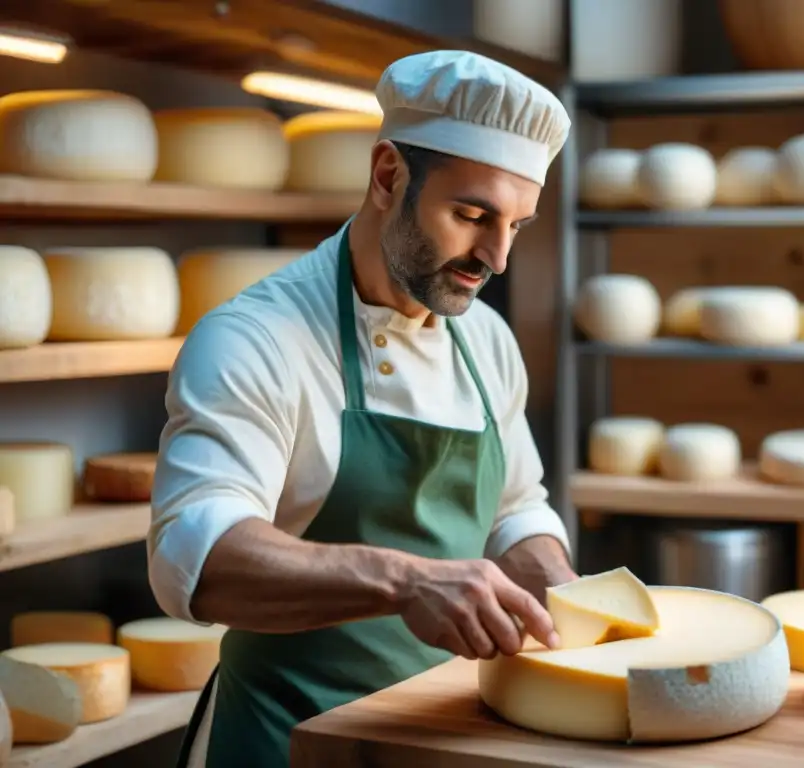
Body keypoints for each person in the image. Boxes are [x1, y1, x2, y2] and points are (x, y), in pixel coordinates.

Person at [147, 49, 577, 768]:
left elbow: (514, 508)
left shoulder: (488, 341)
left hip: (438, 736)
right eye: (472, 215)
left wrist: (559, 587)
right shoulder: (256, 338)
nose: (496, 258)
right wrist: (406, 581)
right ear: (388, 175)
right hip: (283, 740)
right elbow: (197, 554)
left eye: (516, 227)